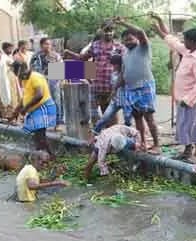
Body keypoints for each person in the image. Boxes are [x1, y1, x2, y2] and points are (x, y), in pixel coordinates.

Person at [151, 14, 196, 163]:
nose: (184, 42)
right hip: (183, 97)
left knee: (195, 125)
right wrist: (159, 27)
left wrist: (188, 99)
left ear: (194, 42)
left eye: (186, 40)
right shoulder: (189, 50)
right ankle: (187, 151)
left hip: (194, 99)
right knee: (184, 125)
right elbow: (173, 41)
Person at [113, 16, 160, 154]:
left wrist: (123, 23)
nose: (128, 41)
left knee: (149, 117)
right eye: (125, 39)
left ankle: (157, 144)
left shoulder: (144, 47)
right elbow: (122, 74)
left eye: (131, 38)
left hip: (145, 86)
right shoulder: (125, 54)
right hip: (131, 89)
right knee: (137, 117)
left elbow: (140, 31)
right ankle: (143, 143)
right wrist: (115, 89)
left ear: (137, 39)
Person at [64, 23, 126, 122]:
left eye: (111, 31)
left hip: (112, 87)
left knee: (111, 115)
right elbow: (82, 58)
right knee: (97, 115)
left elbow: (125, 65)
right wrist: (68, 53)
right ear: (101, 31)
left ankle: (113, 135)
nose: (108, 33)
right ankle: (99, 135)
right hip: (97, 86)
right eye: (106, 31)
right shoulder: (95, 45)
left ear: (114, 32)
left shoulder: (119, 47)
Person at [9, 61, 57, 152]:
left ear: (21, 70)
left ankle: (48, 157)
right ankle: (41, 154)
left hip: (43, 107)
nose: (18, 77)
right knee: (37, 136)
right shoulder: (25, 79)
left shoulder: (35, 77)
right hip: (35, 109)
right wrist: (16, 111)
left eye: (17, 73)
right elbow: (25, 97)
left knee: (40, 135)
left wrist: (25, 108)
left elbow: (39, 95)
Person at [93, 54, 131, 133]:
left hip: (126, 101)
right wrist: (111, 96)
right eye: (113, 65)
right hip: (115, 100)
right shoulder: (113, 74)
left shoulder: (127, 73)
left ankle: (127, 135)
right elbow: (112, 87)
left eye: (115, 65)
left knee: (127, 120)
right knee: (105, 118)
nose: (113, 67)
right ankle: (95, 132)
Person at [31, 37, 64, 124]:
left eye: (49, 44)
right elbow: (32, 70)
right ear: (41, 45)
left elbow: (59, 72)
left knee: (56, 101)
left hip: (53, 81)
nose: (48, 46)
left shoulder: (55, 56)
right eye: (46, 44)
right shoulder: (36, 56)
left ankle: (58, 121)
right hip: (40, 82)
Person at [0, 48, 21, 120]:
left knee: (12, 100)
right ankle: (5, 117)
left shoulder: (6, 60)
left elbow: (18, 65)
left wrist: (15, 75)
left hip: (9, 85)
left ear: (1, 53)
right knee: (1, 101)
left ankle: (14, 118)